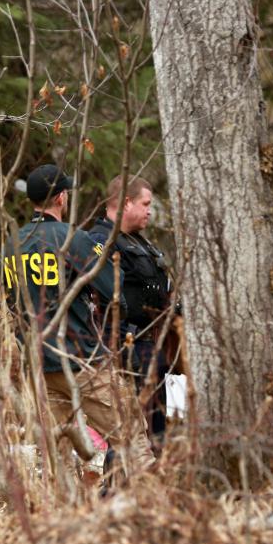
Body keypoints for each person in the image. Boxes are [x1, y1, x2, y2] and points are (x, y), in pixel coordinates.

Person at [3, 164, 156, 476]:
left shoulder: (12, 245)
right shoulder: (74, 239)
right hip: (81, 358)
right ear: (61, 198)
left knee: (55, 454)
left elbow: (11, 302)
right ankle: (151, 506)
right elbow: (114, 294)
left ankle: (59, 515)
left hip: (37, 362)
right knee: (130, 431)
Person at [87, 174, 174, 443]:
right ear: (126, 203)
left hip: (152, 349)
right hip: (124, 350)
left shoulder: (140, 242)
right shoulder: (99, 242)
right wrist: (121, 353)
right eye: (145, 204)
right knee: (131, 434)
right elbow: (99, 303)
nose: (149, 211)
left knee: (156, 431)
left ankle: (154, 481)